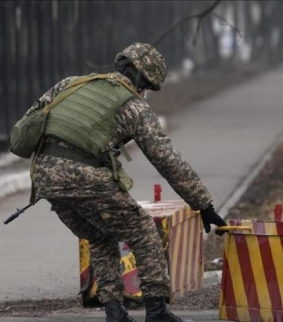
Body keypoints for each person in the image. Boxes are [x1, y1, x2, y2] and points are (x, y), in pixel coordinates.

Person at [29, 43, 227, 322]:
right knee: (143, 231)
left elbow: (34, 119)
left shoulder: (71, 84)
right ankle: (157, 312)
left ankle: (115, 312)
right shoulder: (133, 106)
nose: (145, 93)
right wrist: (203, 204)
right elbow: (167, 159)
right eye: (147, 87)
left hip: (43, 178)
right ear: (140, 80)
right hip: (86, 177)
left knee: (99, 234)